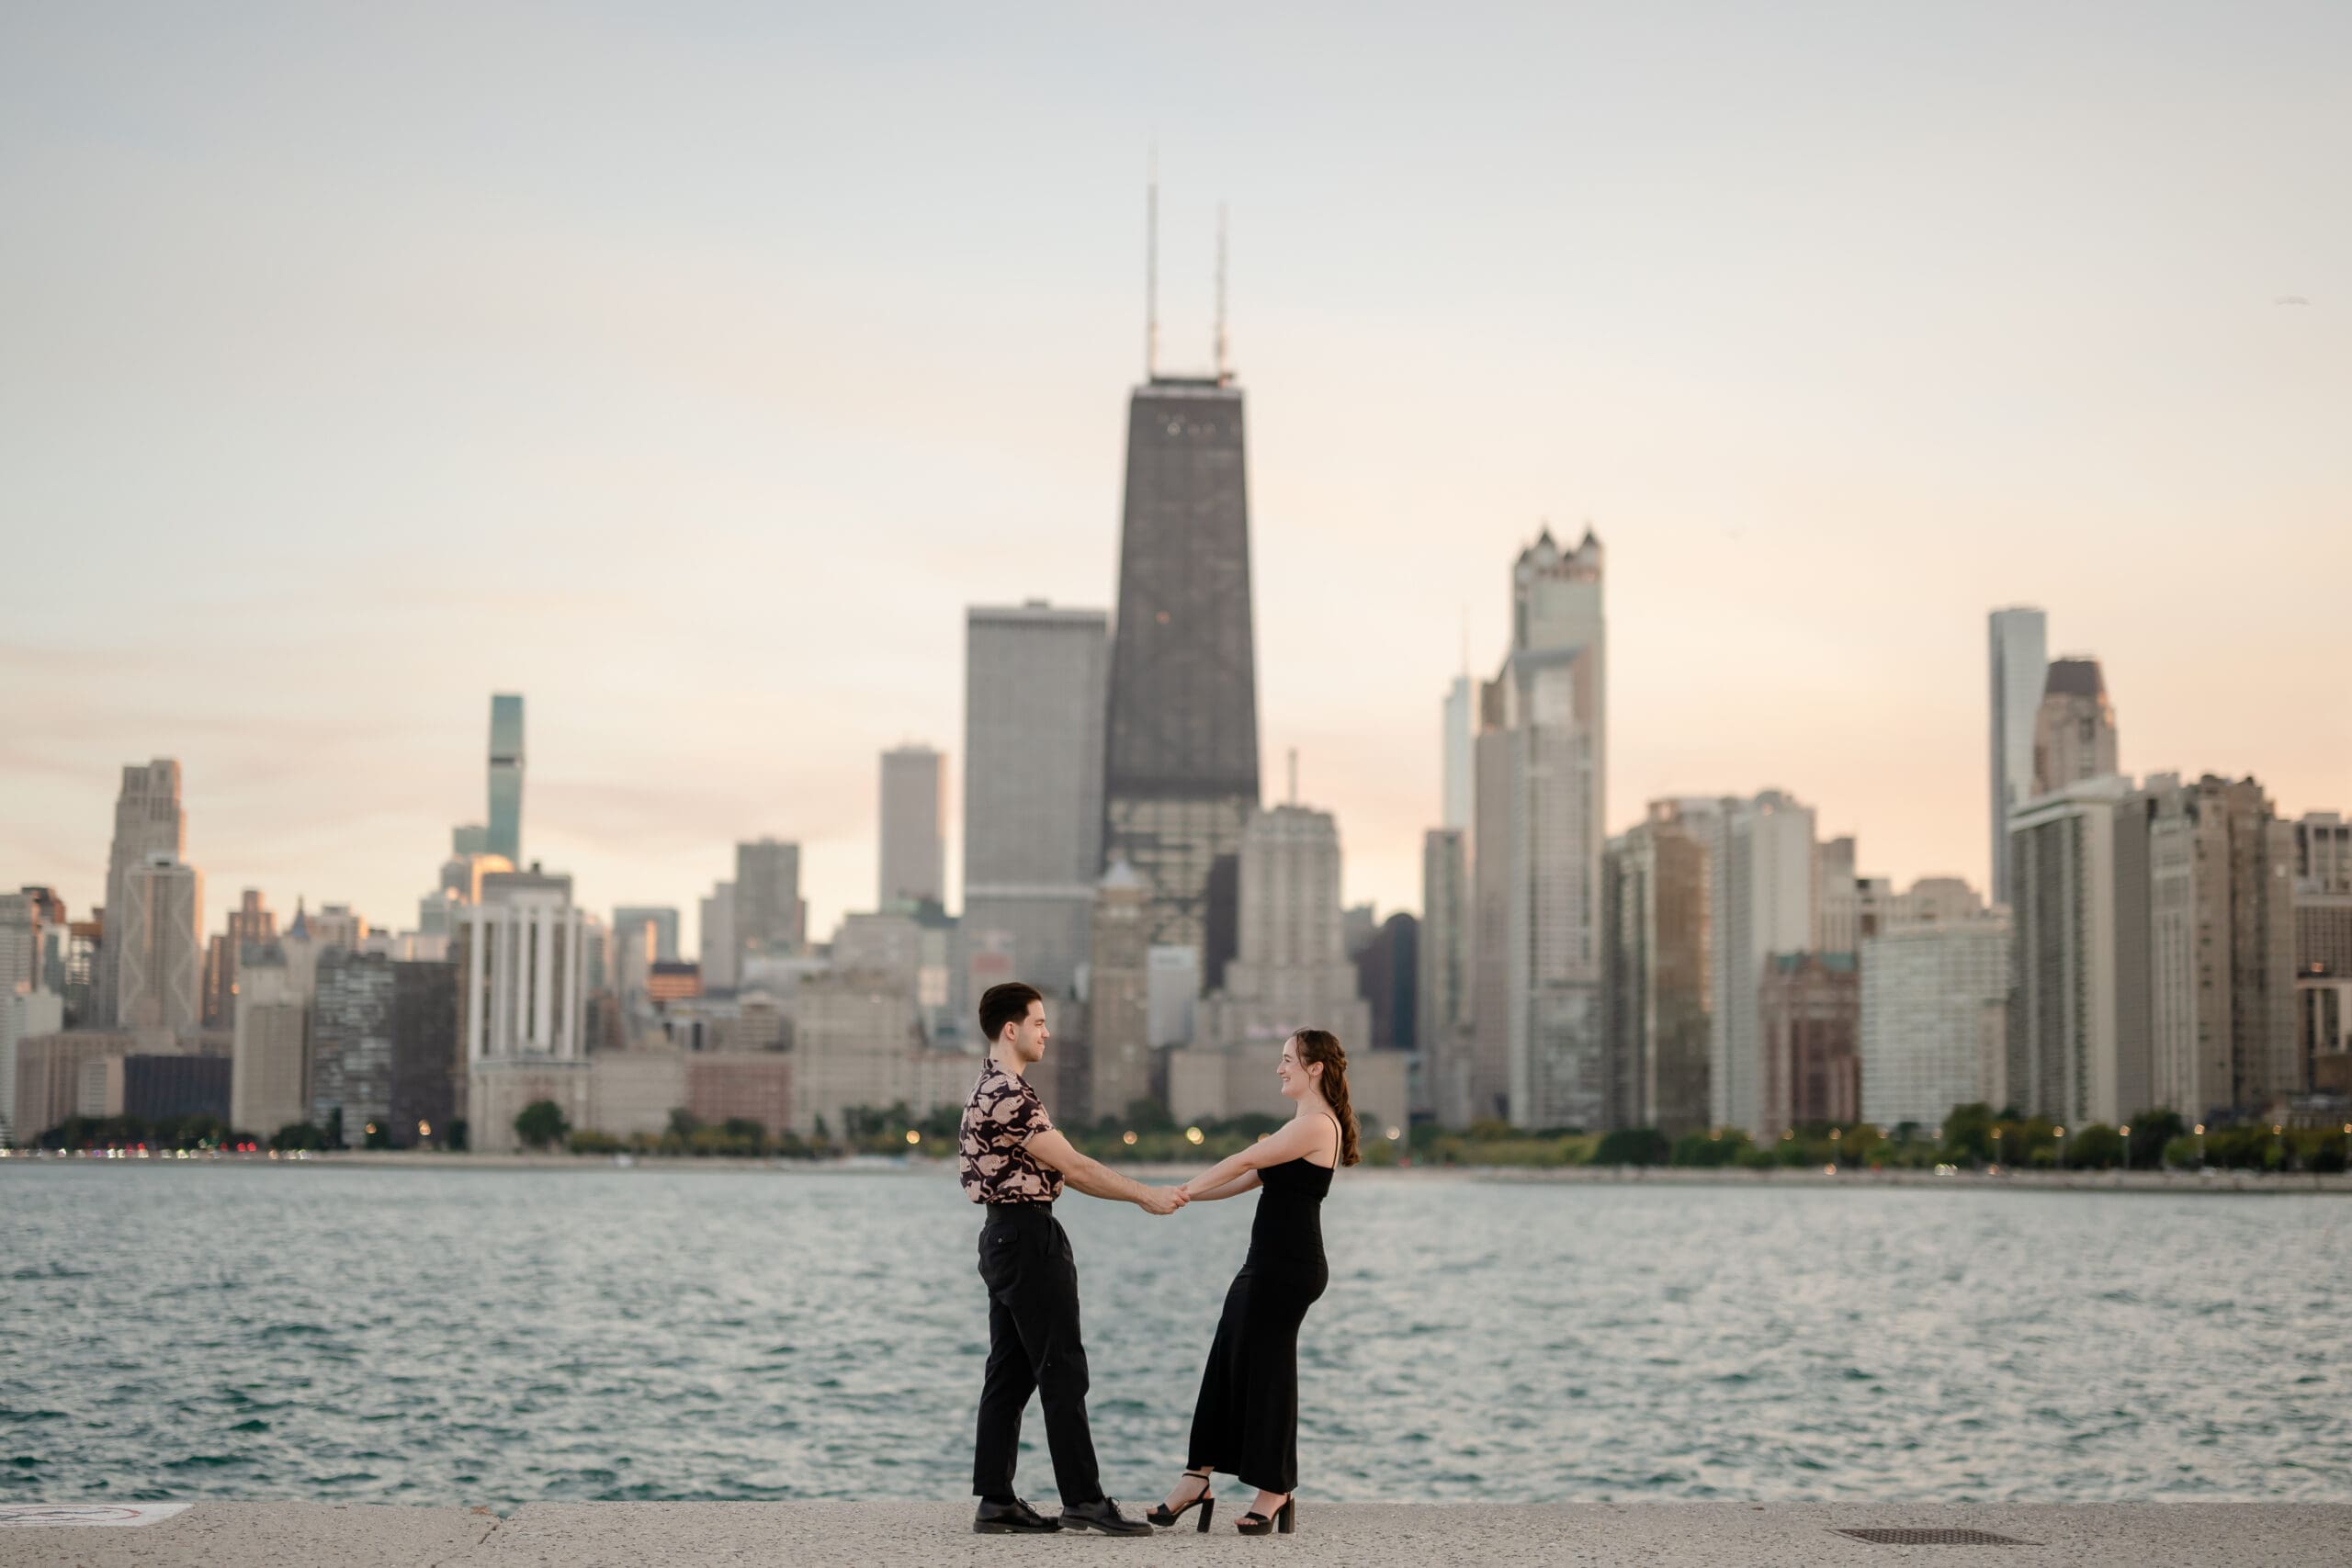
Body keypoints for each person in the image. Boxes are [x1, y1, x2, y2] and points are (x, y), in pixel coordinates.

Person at [962, 980, 1189, 1536]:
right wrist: (1147, 1194)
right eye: (1039, 1022)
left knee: (1010, 1373)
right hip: (1027, 1238)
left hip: (1002, 1237)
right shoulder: (1010, 1095)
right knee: (1062, 1370)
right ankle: (1084, 1500)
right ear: (1011, 1029)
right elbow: (1077, 1168)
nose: (1047, 1032)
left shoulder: (987, 1088)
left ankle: (996, 1502)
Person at [1148, 1028, 1360, 1537]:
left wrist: (1179, 1189)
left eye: (1288, 1059)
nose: (1279, 1067)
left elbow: (1244, 1159)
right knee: (1227, 1356)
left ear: (1316, 1068)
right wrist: (1187, 1198)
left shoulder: (1317, 1125)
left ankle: (1276, 1488)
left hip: (1289, 1268)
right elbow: (1250, 1180)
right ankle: (1196, 1476)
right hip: (1264, 1263)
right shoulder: (1298, 1124)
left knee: (1268, 1371)